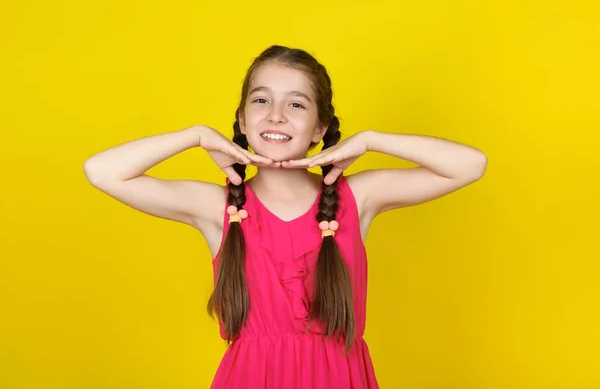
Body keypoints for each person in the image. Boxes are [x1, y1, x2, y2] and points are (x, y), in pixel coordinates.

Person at [83, 44, 487, 388]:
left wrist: (370, 140)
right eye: (261, 100)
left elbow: (470, 165)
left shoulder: (356, 198)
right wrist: (197, 136)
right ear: (242, 120)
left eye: (296, 104)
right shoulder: (218, 208)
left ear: (319, 128)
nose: (276, 115)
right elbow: (101, 172)